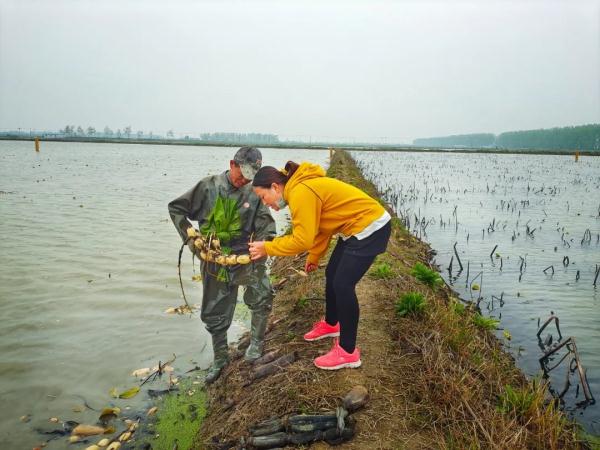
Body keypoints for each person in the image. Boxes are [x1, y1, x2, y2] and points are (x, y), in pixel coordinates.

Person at [248, 161, 391, 370]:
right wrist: (314, 256)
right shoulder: (300, 188)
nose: (265, 203)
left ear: (275, 187)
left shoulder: (300, 193)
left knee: (343, 285)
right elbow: (322, 226)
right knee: (332, 274)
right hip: (354, 227)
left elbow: (302, 240)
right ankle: (332, 324)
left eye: (263, 197)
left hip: (370, 227)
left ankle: (348, 352)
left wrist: (267, 248)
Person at [168, 147, 275, 383]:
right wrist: (191, 238)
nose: (244, 180)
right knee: (214, 310)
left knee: (262, 295)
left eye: (250, 176)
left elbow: (266, 226)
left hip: (246, 256)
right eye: (241, 174)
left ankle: (256, 344)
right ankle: (220, 358)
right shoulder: (208, 187)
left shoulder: (254, 192)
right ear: (232, 164)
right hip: (214, 257)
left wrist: (265, 244)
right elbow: (176, 208)